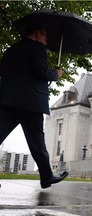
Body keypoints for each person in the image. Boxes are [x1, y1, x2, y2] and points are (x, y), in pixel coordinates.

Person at [0, 23, 68, 189]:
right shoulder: (37, 48)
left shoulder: (11, 49)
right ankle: (46, 177)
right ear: (38, 34)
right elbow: (42, 71)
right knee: (37, 141)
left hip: (8, 100)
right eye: (45, 38)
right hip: (31, 103)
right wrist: (56, 74)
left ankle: (46, 177)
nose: (45, 42)